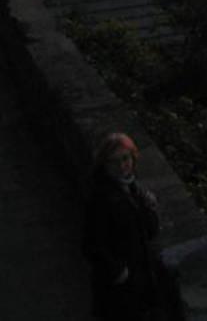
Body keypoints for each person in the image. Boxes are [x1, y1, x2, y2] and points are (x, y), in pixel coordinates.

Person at [83, 131, 164, 320]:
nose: (122, 166)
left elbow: (150, 232)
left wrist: (149, 209)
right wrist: (118, 271)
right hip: (119, 286)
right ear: (105, 164)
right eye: (114, 161)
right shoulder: (100, 198)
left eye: (125, 158)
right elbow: (90, 244)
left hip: (139, 280)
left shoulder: (134, 189)